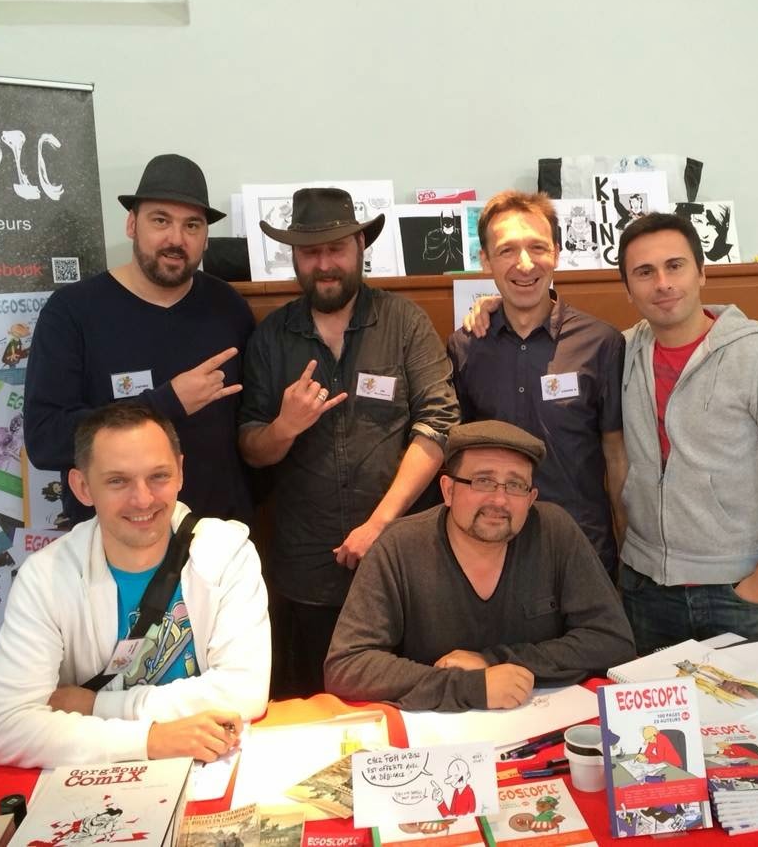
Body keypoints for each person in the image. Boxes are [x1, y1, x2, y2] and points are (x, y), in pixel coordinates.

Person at [239, 187, 458, 698]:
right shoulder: (272, 337)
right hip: (305, 574)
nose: (324, 264)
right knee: (312, 709)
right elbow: (251, 447)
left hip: (402, 561)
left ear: (360, 245)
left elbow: (439, 425)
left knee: (410, 704)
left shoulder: (404, 322)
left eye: (336, 248)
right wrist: (285, 426)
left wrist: (380, 524)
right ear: (294, 256)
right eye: (310, 252)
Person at [0, 402, 270, 768]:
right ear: (82, 487)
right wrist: (152, 739)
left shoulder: (227, 551)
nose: (143, 499)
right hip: (96, 781)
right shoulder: (45, 576)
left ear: (180, 473)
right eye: (118, 481)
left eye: (158, 476)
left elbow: (244, 691)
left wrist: (96, 705)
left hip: (209, 768)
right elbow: (2, 727)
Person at [617, 212, 758, 652]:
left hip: (740, 592)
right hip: (644, 590)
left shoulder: (757, 357)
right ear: (628, 288)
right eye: (644, 272)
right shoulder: (619, 353)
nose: (662, 283)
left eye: (675, 266)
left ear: (701, 272)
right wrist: (487, 308)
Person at [324, 420, 635, 711]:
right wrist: (471, 686)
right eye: (483, 481)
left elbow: (613, 640)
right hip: (437, 732)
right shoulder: (399, 547)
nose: (499, 500)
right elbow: (347, 665)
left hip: (536, 721)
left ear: (530, 499)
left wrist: (494, 661)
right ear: (448, 490)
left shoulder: (554, 531)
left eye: (515, 485)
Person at [24, 153, 254, 527]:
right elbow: (45, 440)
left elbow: (249, 427)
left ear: (205, 237)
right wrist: (164, 403)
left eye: (192, 225)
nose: (176, 239)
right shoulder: (71, 312)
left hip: (216, 538)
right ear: (132, 224)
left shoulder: (229, 306)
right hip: (116, 539)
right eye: (160, 220)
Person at [448, 191, 626, 577]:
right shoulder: (464, 347)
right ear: (485, 260)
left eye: (538, 247)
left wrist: (627, 551)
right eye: (507, 250)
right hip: (493, 552)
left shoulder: (601, 343)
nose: (525, 264)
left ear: (557, 253)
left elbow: (616, 456)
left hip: (584, 550)